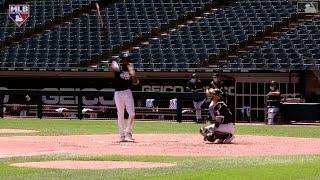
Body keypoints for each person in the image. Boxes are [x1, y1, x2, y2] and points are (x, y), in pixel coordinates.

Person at [110, 53, 139, 142]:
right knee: (120, 114)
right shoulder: (118, 68)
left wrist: (133, 74)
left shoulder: (130, 69)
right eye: (125, 60)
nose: (127, 61)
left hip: (127, 91)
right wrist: (115, 65)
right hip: (118, 92)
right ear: (122, 61)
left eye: (128, 60)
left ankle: (128, 132)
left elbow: (135, 82)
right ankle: (122, 135)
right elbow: (113, 66)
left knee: (132, 113)